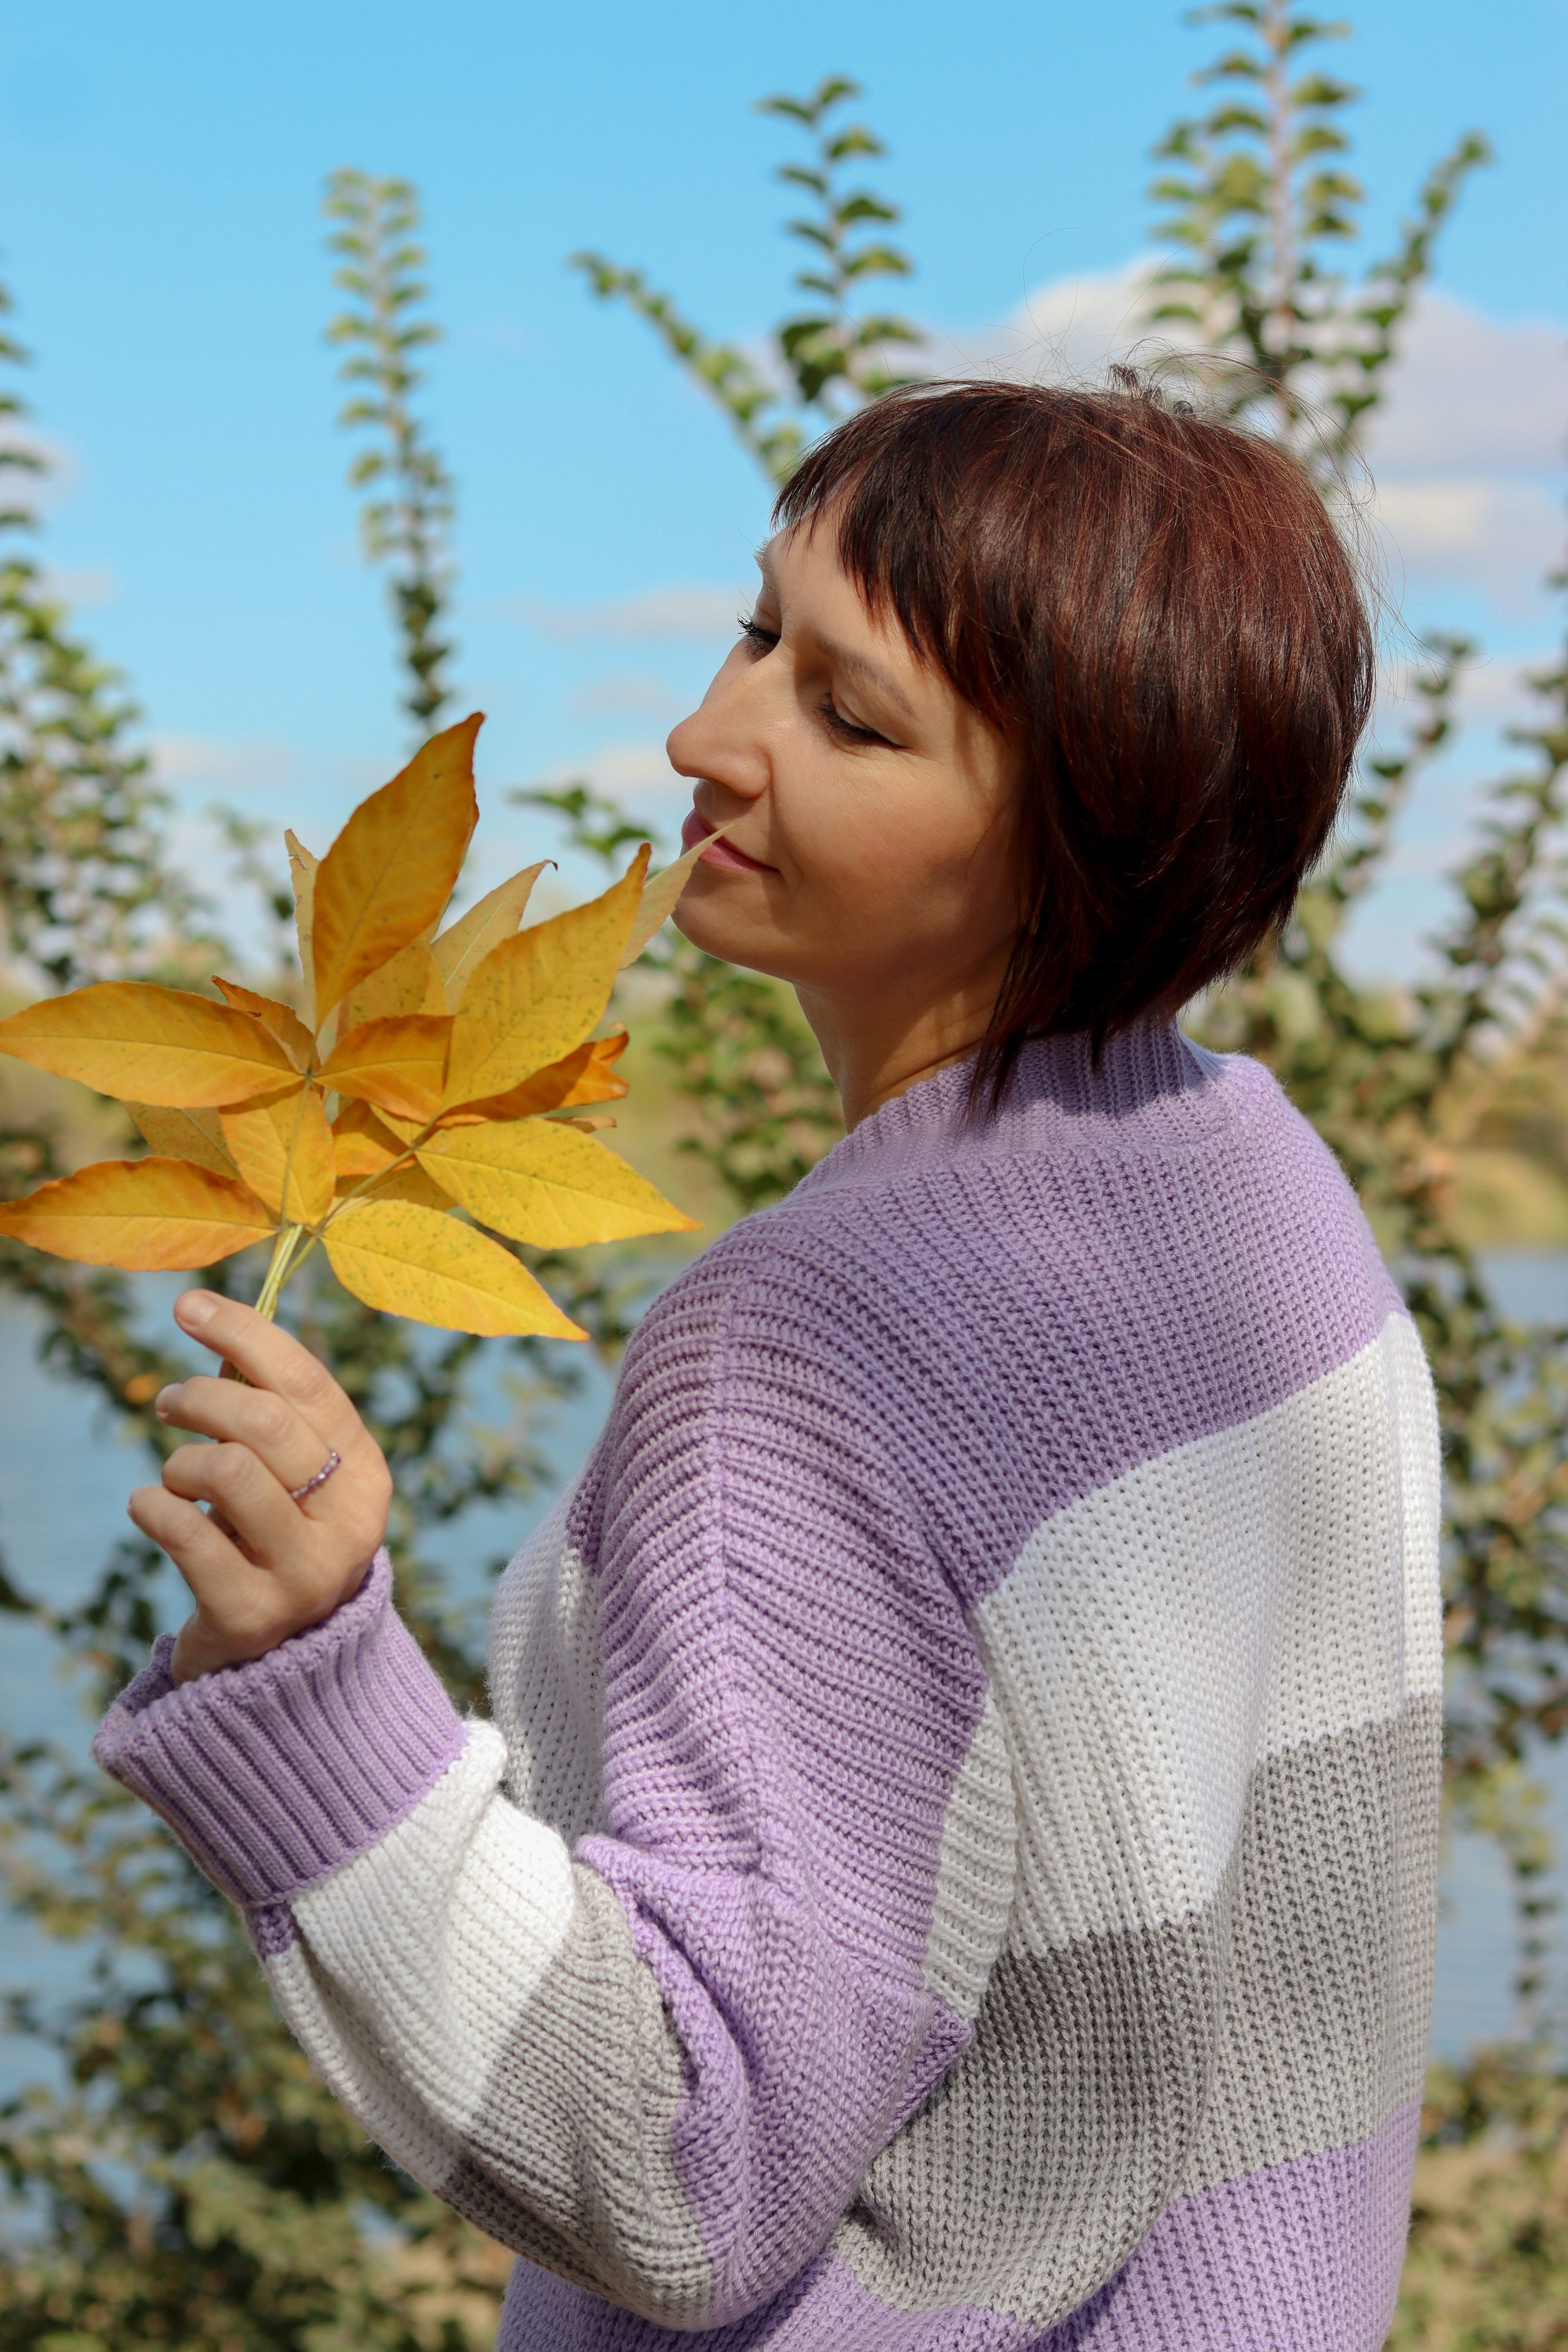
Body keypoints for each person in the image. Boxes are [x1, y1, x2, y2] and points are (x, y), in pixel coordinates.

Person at [94, 378, 1440, 2351]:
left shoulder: (803, 1346)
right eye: (758, 636)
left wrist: (311, 1693)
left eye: (849, 714)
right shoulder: (1258, 1195)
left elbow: (675, 2157)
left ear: (1085, 838)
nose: (702, 740)